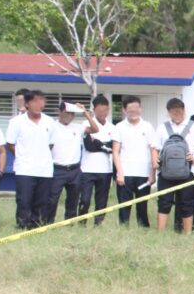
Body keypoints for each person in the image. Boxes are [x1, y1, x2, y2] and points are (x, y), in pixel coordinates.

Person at [154, 97, 194, 233]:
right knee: (164, 202)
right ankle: (160, 233)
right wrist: (155, 162)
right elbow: (154, 147)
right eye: (173, 112)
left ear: (184, 110)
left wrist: (193, 158)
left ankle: (187, 234)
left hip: (187, 172)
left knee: (187, 203)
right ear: (168, 112)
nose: (177, 114)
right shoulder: (162, 127)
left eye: (179, 111)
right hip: (165, 172)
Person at [5, 90, 55, 229]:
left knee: (42, 200)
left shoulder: (49, 121)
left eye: (42, 100)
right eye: (35, 101)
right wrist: (22, 155)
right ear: (27, 104)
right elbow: (10, 143)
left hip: (44, 169)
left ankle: (37, 226)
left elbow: (51, 144)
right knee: (24, 200)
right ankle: (22, 226)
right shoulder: (17, 122)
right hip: (25, 168)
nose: (39, 104)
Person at [111, 95, 158, 227]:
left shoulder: (148, 126)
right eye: (130, 110)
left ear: (141, 109)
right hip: (126, 173)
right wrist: (119, 172)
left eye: (136, 109)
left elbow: (153, 149)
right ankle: (123, 229)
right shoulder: (119, 127)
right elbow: (115, 151)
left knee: (142, 206)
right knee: (124, 205)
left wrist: (153, 172)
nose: (134, 113)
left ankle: (143, 230)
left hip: (144, 173)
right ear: (125, 110)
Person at [46, 101, 86, 224]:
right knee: (52, 199)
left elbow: (95, 129)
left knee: (73, 199)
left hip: (74, 169)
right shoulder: (52, 126)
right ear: (60, 111)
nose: (70, 116)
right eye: (67, 112)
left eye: (72, 113)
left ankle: (69, 223)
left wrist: (84, 112)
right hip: (57, 168)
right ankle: (48, 222)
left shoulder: (78, 127)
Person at [78, 94, 114, 227]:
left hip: (105, 169)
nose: (102, 114)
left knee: (102, 200)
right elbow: (89, 146)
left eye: (105, 111)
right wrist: (104, 145)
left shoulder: (112, 127)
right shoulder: (85, 124)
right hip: (87, 169)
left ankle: (98, 224)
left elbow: (113, 148)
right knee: (85, 199)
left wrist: (99, 143)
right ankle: (81, 223)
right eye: (99, 111)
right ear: (94, 110)